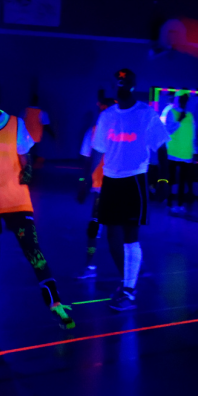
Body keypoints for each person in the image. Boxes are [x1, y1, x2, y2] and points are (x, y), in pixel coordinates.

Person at [0, 77, 75, 329]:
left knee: (33, 251)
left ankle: (55, 302)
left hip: (15, 200)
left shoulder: (16, 125)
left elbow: (25, 157)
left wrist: (27, 170)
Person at [81, 68, 169, 311]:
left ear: (132, 85)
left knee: (130, 236)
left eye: (125, 81)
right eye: (118, 81)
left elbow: (161, 148)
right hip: (110, 180)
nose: (121, 85)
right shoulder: (107, 116)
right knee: (112, 236)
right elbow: (98, 149)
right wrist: (86, 179)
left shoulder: (145, 114)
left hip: (135, 180)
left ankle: (129, 290)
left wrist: (163, 180)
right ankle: (128, 279)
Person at [77, 90, 109, 279]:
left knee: (96, 225)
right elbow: (87, 159)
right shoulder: (96, 131)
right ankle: (90, 266)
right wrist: (84, 181)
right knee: (98, 225)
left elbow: (86, 159)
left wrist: (84, 182)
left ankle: (90, 267)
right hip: (104, 186)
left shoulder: (95, 131)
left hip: (105, 186)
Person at [160, 93, 196, 213]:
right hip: (173, 153)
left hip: (186, 154)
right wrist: (179, 120)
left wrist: (194, 151)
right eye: (182, 99)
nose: (184, 101)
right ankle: (169, 202)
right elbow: (168, 131)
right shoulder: (172, 113)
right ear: (178, 100)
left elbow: (192, 135)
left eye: (186, 99)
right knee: (171, 179)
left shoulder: (190, 115)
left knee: (183, 180)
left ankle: (180, 203)